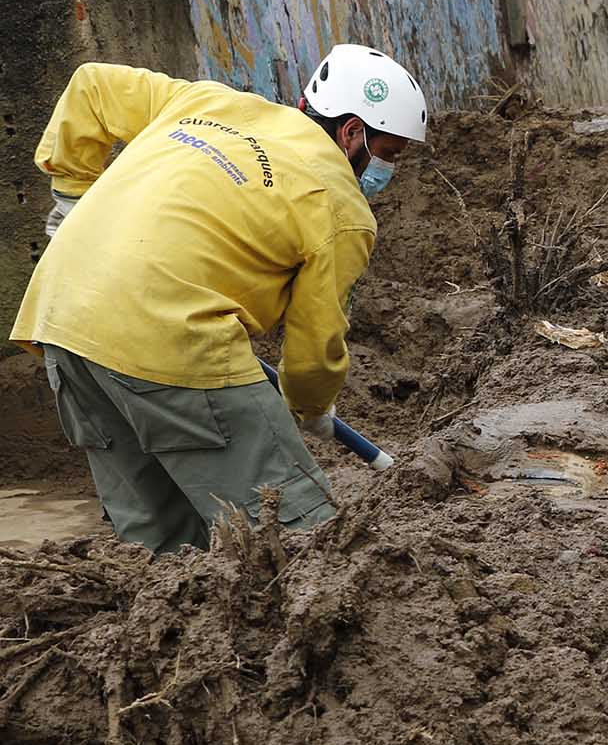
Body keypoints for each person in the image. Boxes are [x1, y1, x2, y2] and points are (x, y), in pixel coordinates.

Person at [11, 46, 428, 553]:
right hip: (173, 338)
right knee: (303, 543)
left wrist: (71, 198)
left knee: (159, 545)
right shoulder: (340, 205)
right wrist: (311, 407)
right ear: (352, 132)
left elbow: (92, 86)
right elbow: (315, 343)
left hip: (60, 318)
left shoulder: (207, 103)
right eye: (390, 152)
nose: (387, 169)